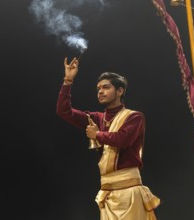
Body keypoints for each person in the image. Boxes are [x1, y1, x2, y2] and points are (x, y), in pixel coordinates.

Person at [56, 57, 160, 220]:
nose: (100, 92)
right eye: (98, 89)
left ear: (120, 91)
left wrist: (97, 135)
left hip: (129, 192)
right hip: (107, 194)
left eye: (106, 87)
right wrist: (68, 80)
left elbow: (122, 140)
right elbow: (64, 111)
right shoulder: (96, 118)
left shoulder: (134, 117)